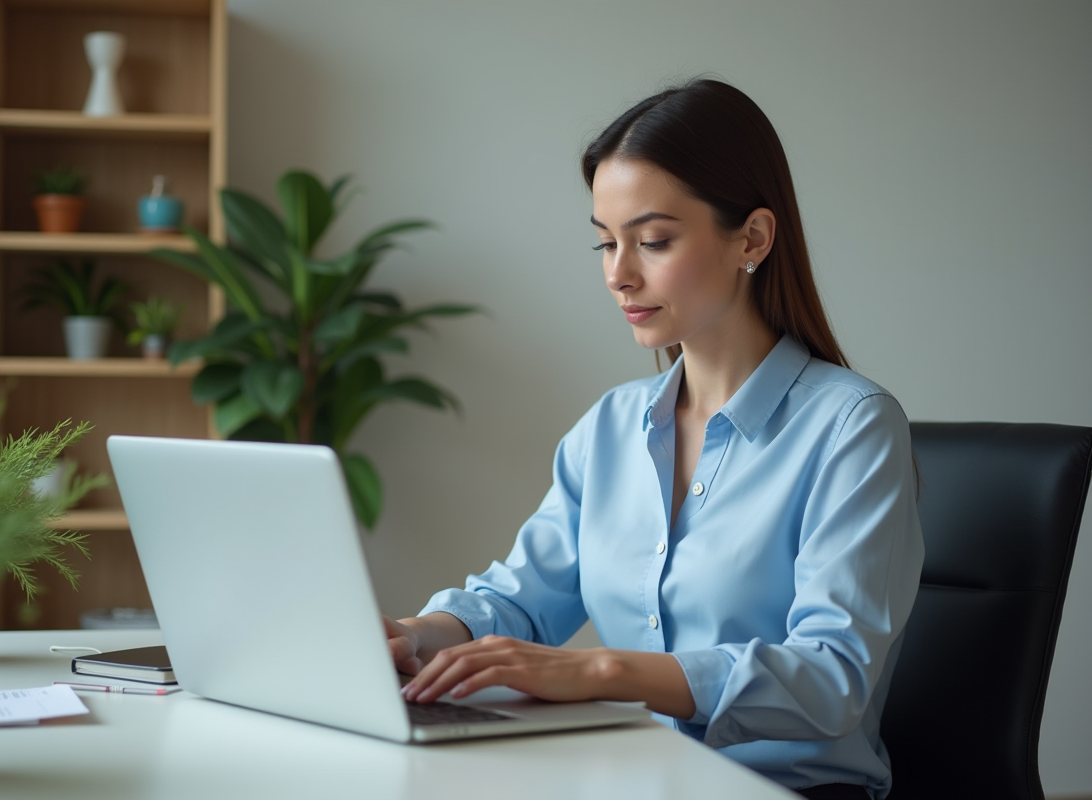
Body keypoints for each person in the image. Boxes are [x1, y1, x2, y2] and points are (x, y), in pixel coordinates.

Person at [384, 78, 923, 800]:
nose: (619, 273)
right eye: (606, 243)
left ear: (753, 238)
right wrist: (418, 635)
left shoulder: (853, 428)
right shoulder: (611, 427)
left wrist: (604, 672)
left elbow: (832, 678)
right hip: (634, 780)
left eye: (654, 241)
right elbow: (519, 599)